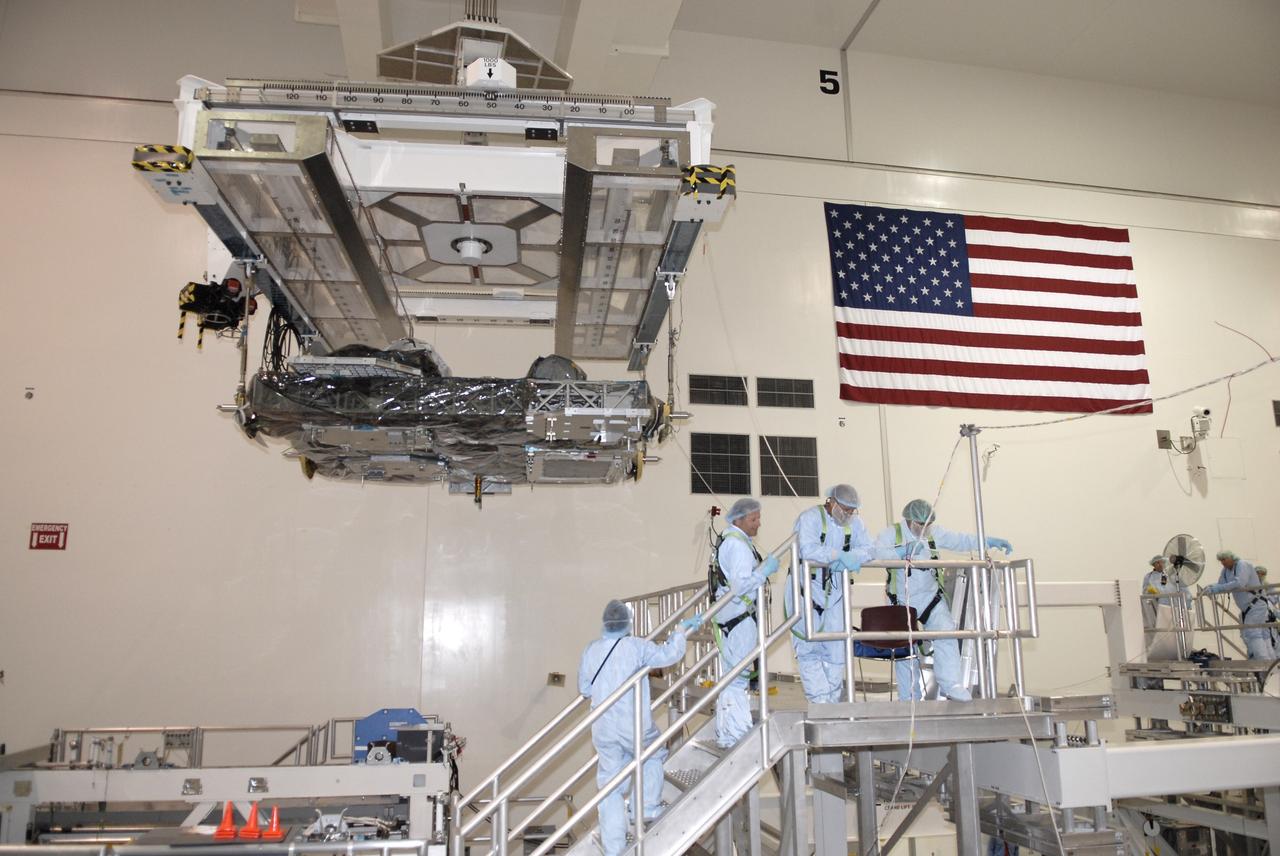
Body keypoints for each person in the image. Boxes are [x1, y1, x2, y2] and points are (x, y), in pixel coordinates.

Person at [578, 600, 702, 856]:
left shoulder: (591, 649)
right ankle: (644, 808)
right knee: (652, 754)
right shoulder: (636, 646)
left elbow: (584, 689)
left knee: (610, 785)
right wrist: (680, 632)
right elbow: (670, 655)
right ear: (627, 623)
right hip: (632, 724)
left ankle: (614, 848)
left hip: (603, 727)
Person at [873, 499, 1013, 701]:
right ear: (909, 520)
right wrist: (899, 552)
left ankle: (951, 685)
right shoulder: (891, 534)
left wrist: (988, 541)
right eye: (920, 524)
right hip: (901, 599)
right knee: (906, 648)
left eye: (927, 524)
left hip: (929, 596)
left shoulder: (934, 534)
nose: (924, 528)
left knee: (946, 633)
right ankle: (910, 697)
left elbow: (961, 541)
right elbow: (875, 553)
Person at [785, 484, 876, 703]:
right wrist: (838, 556)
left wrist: (853, 556)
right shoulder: (810, 519)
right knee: (809, 650)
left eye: (852, 511)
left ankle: (832, 705)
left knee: (837, 651)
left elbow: (869, 549)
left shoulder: (855, 524)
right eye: (844, 509)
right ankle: (820, 704)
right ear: (831, 502)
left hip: (835, 595)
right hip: (805, 592)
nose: (848, 514)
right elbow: (808, 549)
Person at [711, 497, 782, 747]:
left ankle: (728, 734)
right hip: (739, 618)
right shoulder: (737, 546)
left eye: (759, 518)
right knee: (738, 678)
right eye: (754, 519)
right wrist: (763, 571)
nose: (758, 524)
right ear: (739, 519)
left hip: (733, 617)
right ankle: (737, 736)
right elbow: (741, 585)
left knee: (733, 677)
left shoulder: (732, 542)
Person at [1203, 551, 1276, 660]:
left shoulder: (1243, 565)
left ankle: (1264, 662)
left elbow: (1240, 583)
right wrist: (1212, 587)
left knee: (1253, 632)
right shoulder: (1226, 571)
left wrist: (1219, 588)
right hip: (1247, 608)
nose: (1223, 563)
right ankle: (1269, 662)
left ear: (1231, 558)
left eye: (1224, 560)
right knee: (1258, 633)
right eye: (1221, 561)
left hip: (1256, 605)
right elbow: (1221, 583)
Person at [1140, 554, 1186, 629]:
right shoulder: (1148, 577)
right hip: (1154, 605)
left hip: (1168, 604)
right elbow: (1145, 591)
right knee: (1158, 627)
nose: (1160, 564)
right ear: (1153, 565)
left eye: (1161, 562)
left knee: (1171, 626)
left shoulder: (1168, 575)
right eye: (1157, 563)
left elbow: (1171, 588)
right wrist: (1151, 592)